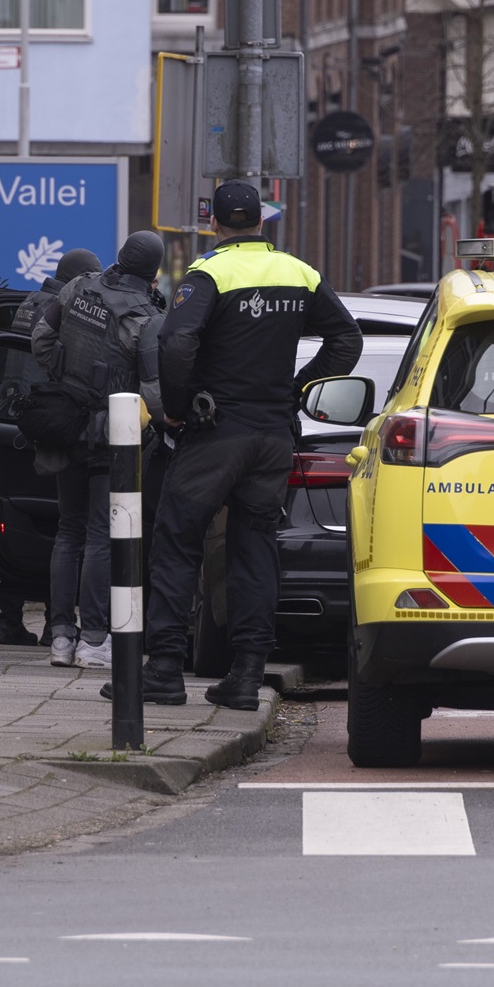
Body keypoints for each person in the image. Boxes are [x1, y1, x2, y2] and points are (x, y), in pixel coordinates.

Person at [134, 181, 360, 708]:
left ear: (215, 222)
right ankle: (245, 677)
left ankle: (164, 668)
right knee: (255, 549)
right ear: (263, 220)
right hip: (273, 435)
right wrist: (300, 386)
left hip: (217, 432)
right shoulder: (300, 272)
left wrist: (179, 404)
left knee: (177, 537)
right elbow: (347, 338)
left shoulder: (210, 272)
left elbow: (175, 339)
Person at [32, 232, 167, 669]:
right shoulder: (147, 317)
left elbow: (40, 339)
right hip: (113, 435)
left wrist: (67, 383)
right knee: (99, 535)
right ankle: (93, 640)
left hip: (64, 425)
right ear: (154, 272)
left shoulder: (77, 287)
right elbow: (155, 394)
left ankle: (59, 637)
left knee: (67, 531)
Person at [0, 247, 107, 647]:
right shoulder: (68, 307)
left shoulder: (28, 302)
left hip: (15, 420)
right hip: (54, 424)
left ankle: (10, 619)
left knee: (23, 524)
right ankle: (56, 624)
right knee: (68, 528)